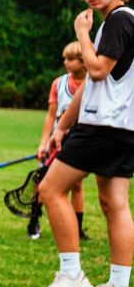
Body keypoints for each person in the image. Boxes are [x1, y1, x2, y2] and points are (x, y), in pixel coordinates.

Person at [31, 0, 134, 287]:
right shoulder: (115, 24)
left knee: (50, 189)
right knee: (114, 203)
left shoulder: (119, 20)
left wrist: (81, 33)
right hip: (123, 128)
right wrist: (61, 127)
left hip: (104, 126)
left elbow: (98, 70)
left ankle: (71, 276)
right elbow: (90, 84)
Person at [32, 42, 90, 241]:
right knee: (41, 180)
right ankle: (33, 221)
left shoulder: (93, 83)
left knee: (77, 185)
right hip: (54, 141)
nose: (66, 63)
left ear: (84, 62)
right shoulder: (59, 83)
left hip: (76, 142)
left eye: (71, 59)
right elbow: (50, 116)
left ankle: (78, 228)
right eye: (64, 58)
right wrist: (43, 143)